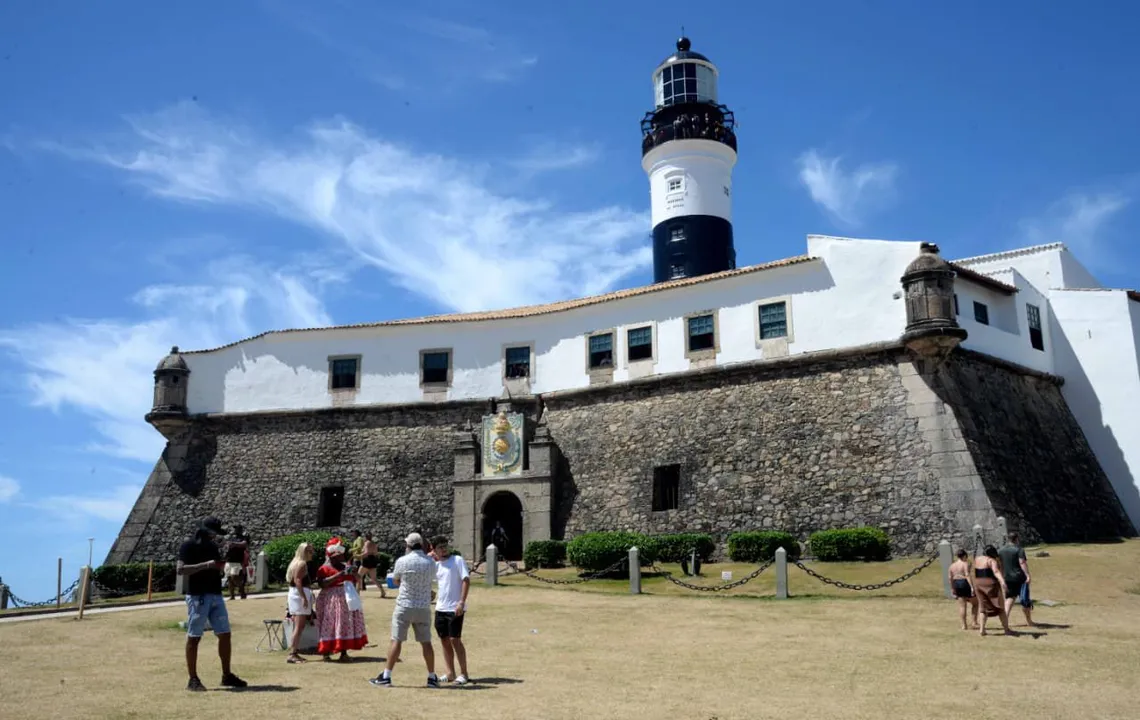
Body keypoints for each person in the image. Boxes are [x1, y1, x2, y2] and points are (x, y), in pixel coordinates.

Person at [176, 516, 247, 691]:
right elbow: (180, 569)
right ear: (205, 531)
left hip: (215, 594)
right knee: (194, 636)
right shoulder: (188, 546)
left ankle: (226, 675)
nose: (216, 536)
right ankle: (193, 678)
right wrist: (205, 565)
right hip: (197, 595)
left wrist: (219, 567)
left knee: (225, 634)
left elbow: (215, 566)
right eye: (214, 533)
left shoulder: (213, 547)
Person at [370, 532, 438, 688]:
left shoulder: (402, 561)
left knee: (396, 640)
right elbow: (431, 579)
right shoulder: (430, 561)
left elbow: (395, 580)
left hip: (405, 605)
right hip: (423, 605)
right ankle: (431, 676)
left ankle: (386, 675)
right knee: (426, 642)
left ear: (408, 545)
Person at [314, 537, 368, 662]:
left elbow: (358, 578)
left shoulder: (346, 566)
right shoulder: (324, 568)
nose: (340, 557)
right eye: (337, 556)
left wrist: (354, 573)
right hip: (330, 599)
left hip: (346, 599)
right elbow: (322, 584)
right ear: (331, 556)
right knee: (330, 624)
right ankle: (326, 652)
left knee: (344, 624)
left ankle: (343, 652)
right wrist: (339, 575)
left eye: (341, 555)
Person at [431, 536, 470, 685]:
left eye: (445, 545)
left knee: (455, 639)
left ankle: (464, 673)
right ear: (434, 550)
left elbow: (466, 580)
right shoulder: (436, 566)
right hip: (440, 607)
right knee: (444, 640)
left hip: (455, 607)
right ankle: (450, 673)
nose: (444, 548)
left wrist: (461, 602)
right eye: (440, 547)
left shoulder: (457, 560)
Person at [973, 545, 1013, 636]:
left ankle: (982, 630)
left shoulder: (977, 558)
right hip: (990, 584)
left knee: (983, 608)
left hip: (978, 583)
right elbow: (996, 572)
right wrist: (1002, 581)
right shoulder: (991, 560)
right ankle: (1006, 629)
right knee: (1000, 607)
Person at [285, 542, 315, 664]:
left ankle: (294, 652)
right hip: (298, 595)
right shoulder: (302, 563)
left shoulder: (296, 562)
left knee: (299, 626)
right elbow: (298, 580)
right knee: (299, 626)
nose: (312, 553)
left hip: (295, 594)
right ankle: (293, 653)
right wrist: (304, 597)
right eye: (309, 551)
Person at [998, 532, 1036, 627]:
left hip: (1007, 578)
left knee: (1009, 598)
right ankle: (1029, 621)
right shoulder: (1019, 550)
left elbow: (1000, 565)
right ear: (1016, 539)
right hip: (1019, 578)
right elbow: (1022, 563)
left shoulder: (1001, 550)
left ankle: (1005, 620)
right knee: (1024, 599)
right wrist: (1027, 575)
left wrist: (1002, 577)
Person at [948, 549, 979, 631]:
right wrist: (972, 587)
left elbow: (950, 578)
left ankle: (964, 625)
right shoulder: (964, 564)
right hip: (964, 582)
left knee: (962, 606)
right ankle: (974, 622)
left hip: (956, 583)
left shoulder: (952, 565)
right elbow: (967, 575)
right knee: (976, 603)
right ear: (964, 556)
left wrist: (952, 588)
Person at [223, 525, 249, 601]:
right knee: (229, 579)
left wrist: (235, 544)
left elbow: (244, 544)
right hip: (229, 560)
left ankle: (242, 591)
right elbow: (226, 545)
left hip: (237, 561)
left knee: (235, 577)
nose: (235, 530)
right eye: (235, 529)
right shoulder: (232, 538)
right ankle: (232, 596)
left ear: (240, 530)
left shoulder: (243, 538)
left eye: (237, 529)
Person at [359, 533, 385, 598]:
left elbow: (366, 552)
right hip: (373, 560)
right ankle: (382, 591)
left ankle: (357, 592)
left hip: (367, 560)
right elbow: (376, 553)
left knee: (358, 576)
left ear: (366, 537)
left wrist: (358, 556)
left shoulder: (367, 543)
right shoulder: (374, 544)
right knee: (374, 578)